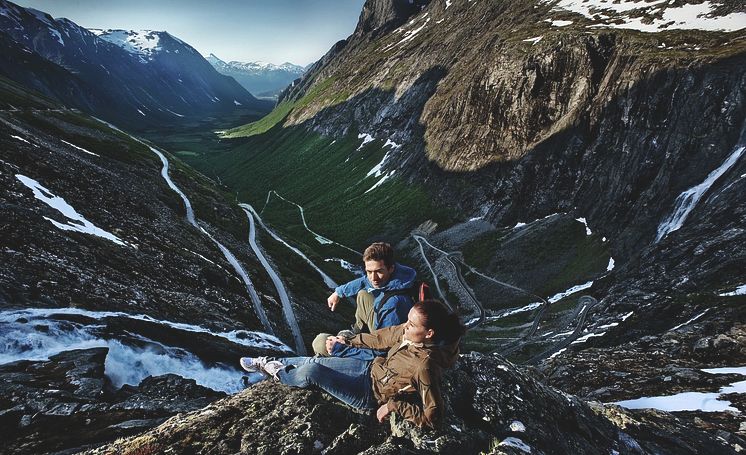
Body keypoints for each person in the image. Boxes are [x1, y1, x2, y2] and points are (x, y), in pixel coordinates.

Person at [240, 300, 465, 429]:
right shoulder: (411, 334)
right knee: (315, 360)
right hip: (369, 368)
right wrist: (348, 340)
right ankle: (268, 362)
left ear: (429, 333)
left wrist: (394, 406)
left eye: (411, 323)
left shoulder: (424, 367)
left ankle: (279, 373)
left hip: (368, 394)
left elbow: (433, 418)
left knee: (312, 371)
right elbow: (380, 338)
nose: (405, 326)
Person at [312, 242, 417, 360]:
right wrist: (338, 292)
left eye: (379, 271)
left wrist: (343, 348)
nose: (373, 278)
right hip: (382, 332)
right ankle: (356, 332)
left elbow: (383, 350)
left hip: (384, 351)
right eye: (369, 271)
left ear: (391, 268)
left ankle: (352, 338)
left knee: (320, 344)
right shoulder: (398, 276)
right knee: (363, 293)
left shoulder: (394, 305)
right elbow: (363, 281)